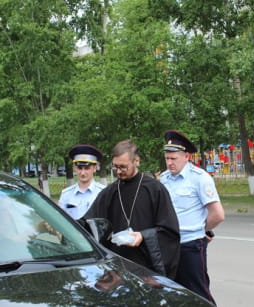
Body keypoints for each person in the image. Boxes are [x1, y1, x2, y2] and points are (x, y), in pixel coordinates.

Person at [84, 139, 180, 280]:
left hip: (147, 269)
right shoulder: (110, 192)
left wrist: (143, 236)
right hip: (117, 270)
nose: (118, 171)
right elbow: (88, 223)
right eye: (115, 167)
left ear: (136, 161)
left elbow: (170, 232)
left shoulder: (155, 189)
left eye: (123, 167)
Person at [160, 130, 225, 305]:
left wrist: (201, 230)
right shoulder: (164, 179)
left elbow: (218, 214)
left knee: (198, 292)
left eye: (174, 158)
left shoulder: (199, 178)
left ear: (186, 156)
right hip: (169, 246)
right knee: (173, 292)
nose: (170, 163)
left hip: (191, 245)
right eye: (167, 158)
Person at [58, 144, 106, 220]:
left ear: (94, 168)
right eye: (80, 168)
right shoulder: (66, 195)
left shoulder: (104, 193)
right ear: (74, 168)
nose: (83, 173)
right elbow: (60, 221)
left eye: (87, 168)